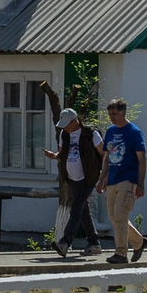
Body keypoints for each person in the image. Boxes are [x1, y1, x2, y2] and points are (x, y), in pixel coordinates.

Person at [46, 107, 103, 258]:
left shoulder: (91, 134)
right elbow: (62, 153)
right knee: (83, 212)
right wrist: (55, 156)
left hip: (88, 178)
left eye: (66, 124)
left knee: (76, 209)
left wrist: (104, 176)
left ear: (75, 121)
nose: (64, 127)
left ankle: (65, 242)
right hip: (71, 179)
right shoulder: (64, 134)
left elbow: (103, 154)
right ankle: (94, 243)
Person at [98, 97, 147, 264]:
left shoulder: (134, 132)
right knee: (114, 216)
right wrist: (101, 178)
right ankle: (139, 241)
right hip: (112, 178)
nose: (112, 117)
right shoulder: (111, 131)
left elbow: (142, 159)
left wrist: (140, 184)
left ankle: (120, 253)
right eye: (110, 114)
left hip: (128, 178)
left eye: (115, 114)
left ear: (123, 112)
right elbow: (107, 157)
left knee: (120, 213)